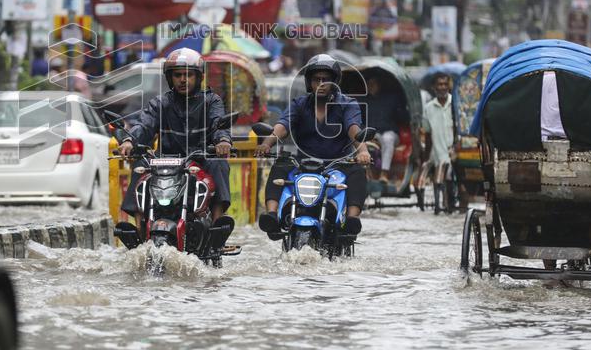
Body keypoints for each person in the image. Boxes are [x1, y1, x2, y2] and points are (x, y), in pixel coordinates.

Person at [118, 48, 233, 238]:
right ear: (170, 78)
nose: (182, 80)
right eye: (178, 75)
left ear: (199, 77)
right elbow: (144, 124)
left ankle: (216, 226)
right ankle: (138, 227)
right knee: (140, 166)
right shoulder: (161, 103)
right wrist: (130, 140)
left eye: (188, 75)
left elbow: (218, 123)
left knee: (219, 163)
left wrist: (222, 140)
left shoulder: (211, 101)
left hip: (201, 159)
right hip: (165, 162)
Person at [255, 54, 371, 237]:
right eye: (317, 80)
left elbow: (354, 129)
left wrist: (363, 150)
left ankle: (352, 219)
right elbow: (283, 125)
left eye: (326, 80)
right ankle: (272, 215)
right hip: (303, 164)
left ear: (335, 82)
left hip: (338, 164)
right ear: (310, 82)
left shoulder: (348, 104)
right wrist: (267, 144)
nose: (322, 84)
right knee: (280, 164)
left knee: (357, 171)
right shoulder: (299, 104)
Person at [364, 75, 409, 183]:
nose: (371, 86)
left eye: (373, 83)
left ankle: (384, 173)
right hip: (372, 134)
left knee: (387, 139)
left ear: (379, 85)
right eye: (368, 84)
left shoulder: (392, 98)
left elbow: (404, 117)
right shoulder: (364, 101)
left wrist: (400, 111)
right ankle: (366, 175)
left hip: (389, 133)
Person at [423, 72, 455, 184]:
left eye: (445, 84)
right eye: (439, 84)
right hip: (437, 156)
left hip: (455, 154)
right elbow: (427, 134)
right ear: (434, 87)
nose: (443, 87)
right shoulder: (428, 108)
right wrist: (426, 158)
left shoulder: (455, 104)